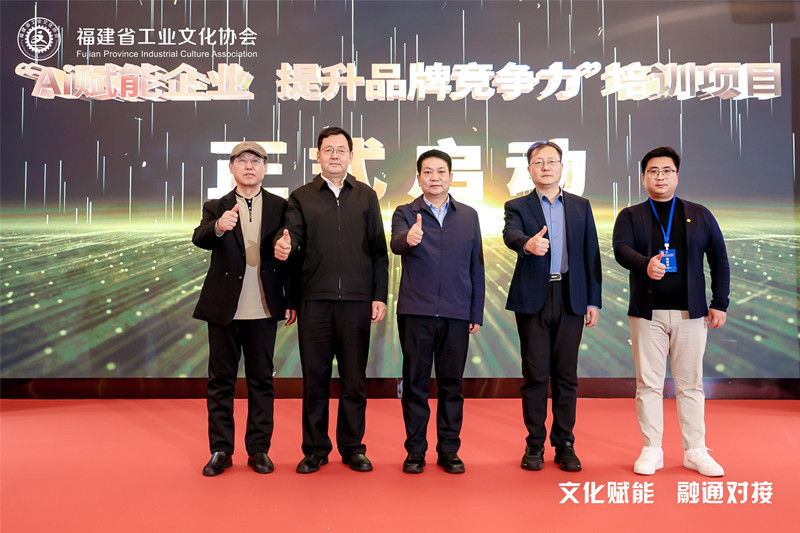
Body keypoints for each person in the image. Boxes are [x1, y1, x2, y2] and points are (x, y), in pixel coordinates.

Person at [274, 127, 389, 473]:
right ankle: (315, 449)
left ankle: (353, 448)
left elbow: (379, 252)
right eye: (328, 150)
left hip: (356, 301)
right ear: (318, 155)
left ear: (351, 156)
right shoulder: (301, 197)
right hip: (315, 301)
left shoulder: (366, 196)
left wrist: (378, 295)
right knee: (315, 379)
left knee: (354, 379)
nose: (335, 155)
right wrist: (286, 249)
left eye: (341, 150)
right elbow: (293, 241)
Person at [613, 146, 729, 477]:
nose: (660, 176)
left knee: (690, 384)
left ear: (677, 176)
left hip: (691, 314)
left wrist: (720, 302)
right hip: (646, 314)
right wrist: (644, 264)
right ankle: (652, 448)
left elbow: (718, 258)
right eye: (653, 171)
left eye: (666, 171)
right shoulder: (631, 215)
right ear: (643, 177)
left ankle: (695, 450)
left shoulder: (699, 214)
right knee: (648, 384)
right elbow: (621, 249)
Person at [192, 141, 297, 476]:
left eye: (256, 160)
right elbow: (199, 237)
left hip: (264, 308)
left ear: (265, 168)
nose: (249, 166)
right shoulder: (216, 206)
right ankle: (221, 449)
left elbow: (291, 251)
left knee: (261, 381)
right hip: (225, 309)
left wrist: (291, 298)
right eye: (242, 160)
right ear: (231, 167)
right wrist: (217, 227)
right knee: (221, 381)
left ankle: (259, 449)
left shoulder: (281, 207)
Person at [503, 140, 602, 472]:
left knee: (566, 375)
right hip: (533, 297)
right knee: (535, 375)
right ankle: (534, 443)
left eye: (551, 161)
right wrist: (527, 244)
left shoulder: (580, 206)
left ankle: (565, 443)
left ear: (561, 167)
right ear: (529, 169)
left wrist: (593, 300)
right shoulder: (517, 205)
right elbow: (511, 234)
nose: (545, 167)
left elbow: (591, 254)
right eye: (538, 162)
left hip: (571, 297)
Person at [390, 149, 485, 474]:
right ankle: (415, 451)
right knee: (415, 384)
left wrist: (475, 311)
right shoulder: (406, 212)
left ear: (451, 177)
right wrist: (409, 237)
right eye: (428, 172)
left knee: (451, 385)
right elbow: (396, 244)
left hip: (456, 313)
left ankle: (449, 450)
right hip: (416, 311)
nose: (434, 177)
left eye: (441, 171)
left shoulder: (468, 215)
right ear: (418, 178)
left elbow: (476, 266)